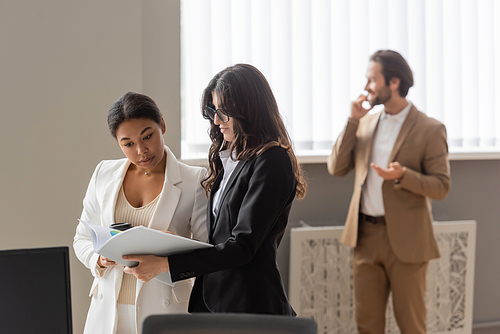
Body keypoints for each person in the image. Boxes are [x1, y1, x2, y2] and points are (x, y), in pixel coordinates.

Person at [123, 63, 307, 315]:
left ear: (250, 109)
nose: (217, 120)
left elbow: (242, 246)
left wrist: (166, 264)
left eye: (224, 112)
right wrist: (169, 245)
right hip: (213, 302)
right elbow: (218, 239)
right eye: (213, 111)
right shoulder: (230, 159)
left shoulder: (273, 160)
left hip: (251, 306)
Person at [327, 50, 451, 334]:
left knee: (411, 325)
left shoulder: (430, 129)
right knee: (367, 326)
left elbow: (442, 187)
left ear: (394, 82)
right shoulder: (366, 122)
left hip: (407, 241)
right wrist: (352, 121)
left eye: (372, 79)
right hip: (365, 237)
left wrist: (404, 176)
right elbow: (336, 167)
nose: (366, 86)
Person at [73, 92, 208, 334]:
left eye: (148, 136)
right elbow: (82, 239)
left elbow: (207, 251)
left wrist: (168, 254)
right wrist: (100, 259)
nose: (141, 150)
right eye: (128, 144)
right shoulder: (104, 173)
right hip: (107, 312)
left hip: (164, 311)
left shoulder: (193, 180)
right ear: (118, 142)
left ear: (162, 125)